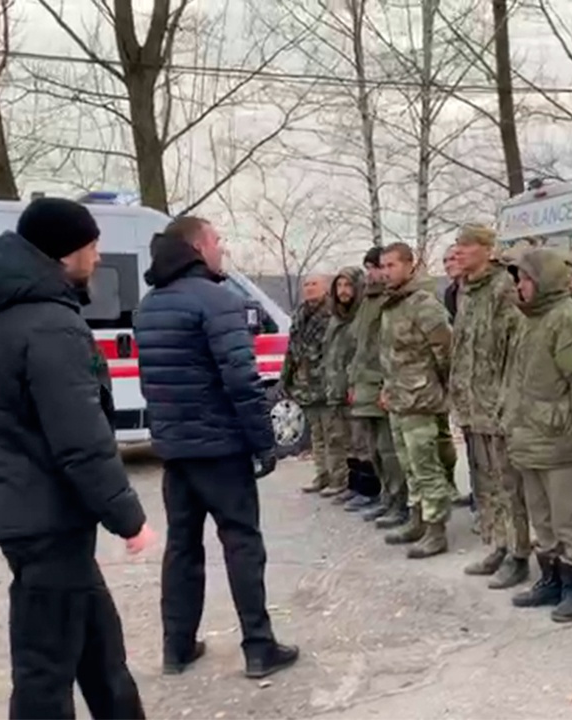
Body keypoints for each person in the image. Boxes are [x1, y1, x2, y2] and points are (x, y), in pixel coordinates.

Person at [0, 196, 152, 719]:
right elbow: (80, 437)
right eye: (92, 246)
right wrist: (127, 517)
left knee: (99, 643)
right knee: (45, 669)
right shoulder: (49, 323)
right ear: (67, 253)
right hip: (45, 517)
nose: (97, 257)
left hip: (33, 513)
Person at [133, 217, 299, 680]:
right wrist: (264, 442)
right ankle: (259, 647)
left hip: (176, 452)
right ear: (197, 246)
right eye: (217, 240)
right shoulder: (218, 300)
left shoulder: (150, 305)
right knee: (242, 544)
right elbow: (242, 382)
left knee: (182, 549)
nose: (221, 248)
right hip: (221, 451)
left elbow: (153, 383)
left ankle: (178, 646)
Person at [502, 248, 572, 623]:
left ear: (544, 279)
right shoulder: (527, 321)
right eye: (518, 279)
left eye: (526, 278)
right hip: (527, 435)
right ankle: (550, 578)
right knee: (541, 517)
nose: (520, 285)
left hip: (558, 438)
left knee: (569, 518)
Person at [449, 225, 532, 589]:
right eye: (458, 245)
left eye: (467, 245)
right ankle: (498, 543)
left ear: (487, 249)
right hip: (472, 404)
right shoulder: (467, 289)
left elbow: (516, 348)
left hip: (498, 405)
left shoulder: (503, 287)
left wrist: (509, 400)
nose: (460, 251)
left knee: (509, 485)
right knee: (484, 483)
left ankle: (519, 553)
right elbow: (463, 345)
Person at [379, 242, 456, 559]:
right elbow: (389, 354)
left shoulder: (423, 303)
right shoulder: (393, 304)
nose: (386, 272)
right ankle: (417, 519)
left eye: (392, 265)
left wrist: (436, 387)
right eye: (383, 267)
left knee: (426, 465)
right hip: (398, 398)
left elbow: (446, 350)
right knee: (409, 465)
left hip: (421, 399)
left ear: (410, 265)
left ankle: (436, 530)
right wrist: (387, 388)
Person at [352, 248, 411, 529]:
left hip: (384, 383)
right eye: (372, 268)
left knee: (390, 449)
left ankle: (400, 502)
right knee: (375, 448)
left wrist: (385, 383)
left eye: (377, 267)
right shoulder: (368, 301)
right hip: (366, 383)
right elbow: (361, 347)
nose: (375, 273)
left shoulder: (390, 300)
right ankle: (387, 497)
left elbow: (387, 348)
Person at [322, 266, 380, 510]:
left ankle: (369, 491)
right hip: (337, 390)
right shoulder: (336, 318)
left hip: (357, 388)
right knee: (347, 441)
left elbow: (363, 354)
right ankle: (353, 485)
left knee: (363, 442)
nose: (343, 291)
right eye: (340, 286)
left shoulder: (361, 317)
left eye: (348, 286)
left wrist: (355, 383)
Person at [280, 275, 336, 495]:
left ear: (325, 288)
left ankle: (338, 479)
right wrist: (286, 378)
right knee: (316, 435)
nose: (309, 288)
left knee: (333, 435)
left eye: (314, 284)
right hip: (306, 385)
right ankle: (322, 475)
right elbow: (292, 350)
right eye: (306, 284)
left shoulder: (332, 314)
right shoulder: (300, 314)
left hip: (327, 383)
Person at [442, 243, 476, 512]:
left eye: (454, 257)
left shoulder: (475, 291)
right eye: (445, 260)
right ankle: (477, 493)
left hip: (480, 376)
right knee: (470, 441)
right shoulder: (451, 292)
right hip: (462, 374)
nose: (449, 263)